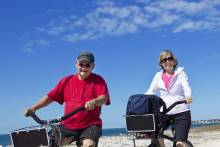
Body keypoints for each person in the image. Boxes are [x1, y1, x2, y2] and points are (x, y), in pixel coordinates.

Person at [24, 51, 110, 147]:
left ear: (93, 66)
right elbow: (50, 97)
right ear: (76, 64)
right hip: (68, 125)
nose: (84, 67)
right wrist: (33, 108)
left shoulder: (98, 80)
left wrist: (94, 101)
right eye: (81, 64)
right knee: (47, 143)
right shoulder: (66, 80)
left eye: (87, 65)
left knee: (88, 145)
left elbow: (104, 98)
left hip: (90, 124)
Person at [145, 49, 192, 147]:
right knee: (156, 136)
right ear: (161, 64)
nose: (167, 61)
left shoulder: (181, 73)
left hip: (181, 110)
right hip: (164, 111)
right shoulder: (158, 76)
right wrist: (142, 100)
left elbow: (186, 87)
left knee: (180, 143)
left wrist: (188, 96)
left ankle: (181, 141)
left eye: (169, 58)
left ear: (174, 61)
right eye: (163, 60)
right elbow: (151, 91)